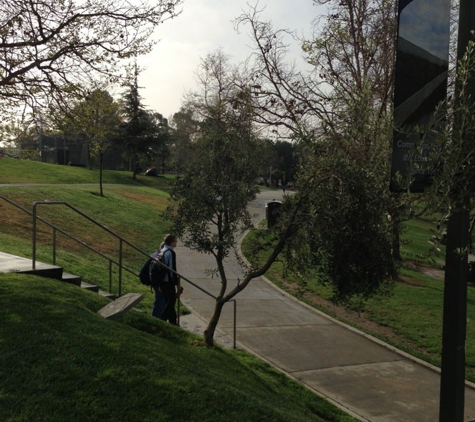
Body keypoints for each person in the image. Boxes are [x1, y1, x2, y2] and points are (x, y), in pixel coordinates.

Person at [151, 234, 181, 325]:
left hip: (162, 281)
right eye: (175, 241)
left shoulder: (162, 250)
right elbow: (172, 269)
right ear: (171, 242)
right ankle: (162, 320)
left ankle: (173, 323)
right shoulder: (170, 253)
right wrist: (176, 283)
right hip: (168, 281)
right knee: (171, 302)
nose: (176, 243)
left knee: (170, 302)